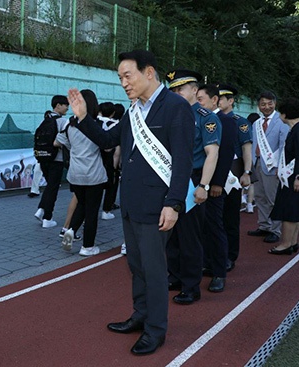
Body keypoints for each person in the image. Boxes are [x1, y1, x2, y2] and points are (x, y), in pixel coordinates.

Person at [68, 50, 194, 355]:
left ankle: (156, 330)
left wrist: (174, 203)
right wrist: (83, 116)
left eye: (128, 75)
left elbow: (182, 160)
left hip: (158, 205)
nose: (124, 83)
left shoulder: (175, 107)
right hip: (131, 203)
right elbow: (109, 141)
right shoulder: (134, 110)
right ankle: (140, 315)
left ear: (148, 72)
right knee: (136, 266)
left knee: (153, 270)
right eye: (120, 77)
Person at [164, 70, 220, 305]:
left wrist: (203, 185)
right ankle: (175, 276)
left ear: (195, 91)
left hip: (193, 179)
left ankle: (191, 286)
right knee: (172, 235)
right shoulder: (170, 114)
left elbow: (212, 153)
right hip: (171, 178)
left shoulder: (206, 117)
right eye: (173, 89)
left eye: (181, 89)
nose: (176, 93)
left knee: (190, 237)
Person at [56, 90, 108, 256]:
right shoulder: (98, 124)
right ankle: (88, 246)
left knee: (82, 204)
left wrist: (75, 149)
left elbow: (58, 142)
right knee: (92, 211)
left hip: (75, 173)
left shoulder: (69, 124)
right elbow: (107, 145)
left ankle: (70, 230)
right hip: (94, 173)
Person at [196, 84, 237, 293]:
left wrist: (217, 183)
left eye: (201, 98)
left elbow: (225, 155)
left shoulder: (224, 121)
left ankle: (219, 273)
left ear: (214, 100)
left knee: (214, 226)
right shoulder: (197, 117)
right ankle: (207, 263)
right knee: (201, 227)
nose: (198, 102)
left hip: (213, 184)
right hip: (197, 181)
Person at [216, 84, 253, 271]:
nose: (218, 100)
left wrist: (247, 172)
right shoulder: (211, 118)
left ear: (230, 101)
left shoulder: (240, 122)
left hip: (233, 173)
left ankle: (230, 255)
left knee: (230, 217)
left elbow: (247, 148)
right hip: (213, 173)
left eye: (221, 98)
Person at [247, 91, 289, 243]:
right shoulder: (257, 123)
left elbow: (284, 145)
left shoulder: (281, 121)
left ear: (275, 104)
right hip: (258, 163)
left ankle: (275, 230)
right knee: (259, 197)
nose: (266, 107)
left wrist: (281, 166)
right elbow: (253, 145)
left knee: (273, 199)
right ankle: (264, 225)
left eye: (270, 103)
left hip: (273, 166)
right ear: (259, 105)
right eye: (263, 104)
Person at [268, 97, 299, 254]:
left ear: (284, 114)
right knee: (295, 210)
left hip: (294, 177)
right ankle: (293, 242)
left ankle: (286, 244)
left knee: (289, 211)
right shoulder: (296, 129)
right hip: (291, 175)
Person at [33, 96, 70, 228]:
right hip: (56, 159)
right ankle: (47, 218)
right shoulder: (62, 121)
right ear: (58, 105)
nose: (67, 107)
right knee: (53, 188)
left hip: (43, 158)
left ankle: (41, 209)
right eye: (65, 105)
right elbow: (65, 140)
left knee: (50, 186)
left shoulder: (45, 120)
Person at [98, 101, 121, 220]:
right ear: (113, 113)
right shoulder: (116, 125)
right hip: (109, 161)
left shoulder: (95, 122)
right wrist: (115, 167)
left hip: (95, 160)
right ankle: (106, 210)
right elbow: (117, 151)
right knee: (110, 186)